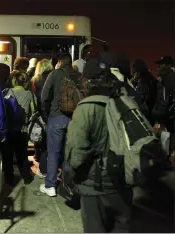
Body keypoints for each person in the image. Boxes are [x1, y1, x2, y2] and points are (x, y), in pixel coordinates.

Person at [64, 58, 132, 233]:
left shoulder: (86, 108)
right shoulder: (126, 103)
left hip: (95, 185)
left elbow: (77, 152)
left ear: (87, 82)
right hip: (123, 180)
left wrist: (69, 177)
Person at [40, 53, 81, 197]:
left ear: (59, 62)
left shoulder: (55, 74)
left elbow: (44, 96)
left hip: (56, 117)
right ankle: (66, 182)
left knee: (53, 153)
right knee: (67, 154)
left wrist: (47, 115)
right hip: (74, 119)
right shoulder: (78, 75)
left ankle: (50, 186)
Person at [3, 71, 36, 185]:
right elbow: (34, 111)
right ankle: (26, 177)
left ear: (14, 80)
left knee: (8, 157)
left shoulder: (7, 92)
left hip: (8, 129)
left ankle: (9, 179)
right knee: (22, 155)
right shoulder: (30, 94)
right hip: (23, 130)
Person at [31, 59, 54, 177]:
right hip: (52, 114)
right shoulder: (54, 79)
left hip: (40, 115)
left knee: (41, 140)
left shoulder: (35, 80)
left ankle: (42, 166)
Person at [131, 59, 158, 123]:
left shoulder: (144, 81)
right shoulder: (149, 77)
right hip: (154, 110)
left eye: (134, 72)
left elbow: (141, 98)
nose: (133, 75)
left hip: (150, 113)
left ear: (138, 71)